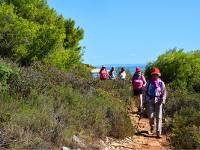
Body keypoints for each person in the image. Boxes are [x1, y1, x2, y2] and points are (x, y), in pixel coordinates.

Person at [145, 67, 167, 138]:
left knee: (159, 117)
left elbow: (164, 92)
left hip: (159, 100)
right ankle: (152, 126)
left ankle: (158, 132)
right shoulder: (149, 82)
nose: (155, 76)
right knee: (151, 116)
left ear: (158, 75)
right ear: (152, 75)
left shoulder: (161, 83)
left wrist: (163, 100)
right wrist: (145, 100)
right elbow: (145, 91)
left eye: (156, 74)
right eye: (154, 74)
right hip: (150, 100)